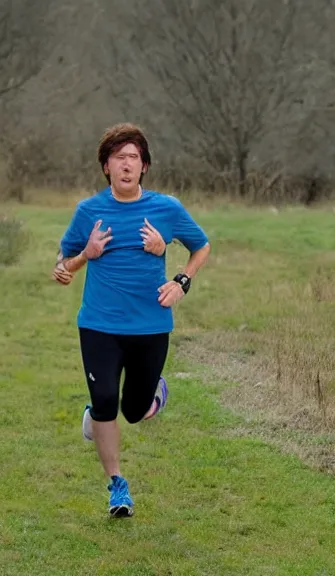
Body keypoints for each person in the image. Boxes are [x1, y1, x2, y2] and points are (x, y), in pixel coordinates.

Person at [52, 123, 211, 516]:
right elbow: (62, 266)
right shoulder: (88, 211)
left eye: (134, 158)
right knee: (105, 401)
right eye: (118, 158)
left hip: (151, 325)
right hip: (99, 324)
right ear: (106, 167)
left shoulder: (166, 208)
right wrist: (84, 255)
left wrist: (180, 280)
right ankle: (117, 486)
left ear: (144, 167)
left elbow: (201, 246)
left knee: (134, 412)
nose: (126, 165)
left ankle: (153, 393)